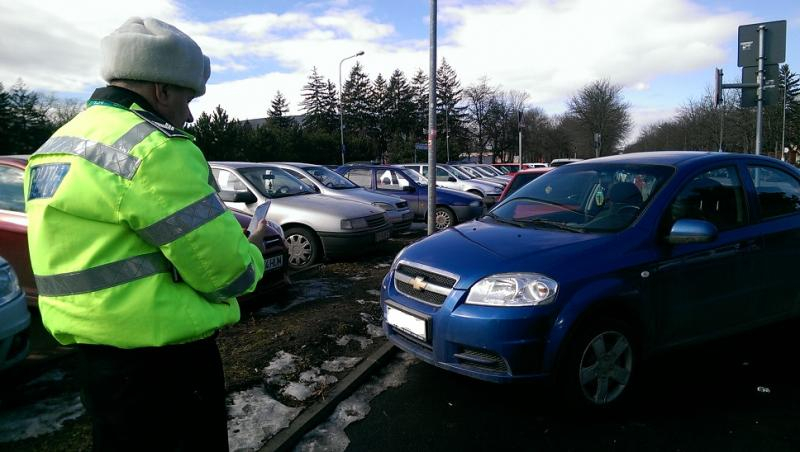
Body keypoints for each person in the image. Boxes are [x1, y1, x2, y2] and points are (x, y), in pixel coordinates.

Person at [24, 17, 268, 451]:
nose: (190, 113)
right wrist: (254, 253)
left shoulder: (54, 147)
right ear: (162, 90)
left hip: (95, 364)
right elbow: (225, 273)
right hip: (166, 370)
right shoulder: (154, 150)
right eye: (189, 97)